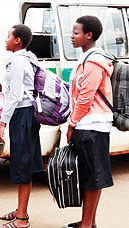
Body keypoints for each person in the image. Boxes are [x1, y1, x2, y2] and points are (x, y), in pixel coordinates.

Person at [65, 15, 114, 228]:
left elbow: (85, 97)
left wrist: (71, 124)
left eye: (76, 33)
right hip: (89, 124)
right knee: (89, 176)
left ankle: (86, 224)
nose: (72, 36)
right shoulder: (86, 58)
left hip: (91, 125)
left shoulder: (93, 61)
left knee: (93, 177)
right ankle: (89, 221)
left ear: (89, 35)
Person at [0, 24, 43, 228]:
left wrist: (2, 123)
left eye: (8, 36)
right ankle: (20, 210)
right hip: (27, 115)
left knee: (23, 165)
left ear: (18, 41)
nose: (6, 39)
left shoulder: (17, 62)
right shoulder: (28, 58)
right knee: (24, 163)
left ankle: (21, 219)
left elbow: (14, 95)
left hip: (22, 114)